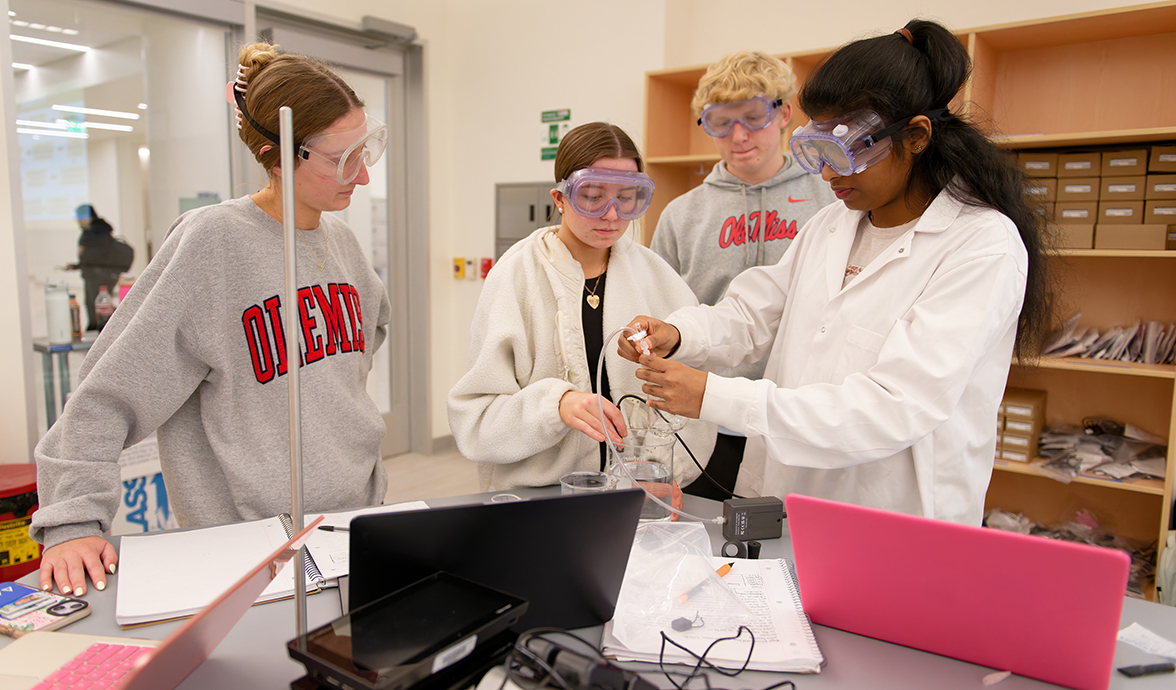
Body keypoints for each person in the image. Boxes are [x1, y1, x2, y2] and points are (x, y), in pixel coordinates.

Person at [619, 20, 1052, 526]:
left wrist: (714, 395)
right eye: (818, 150)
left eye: (845, 152)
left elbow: (891, 407)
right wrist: (680, 332)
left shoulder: (981, 245)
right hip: (787, 495)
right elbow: (754, 313)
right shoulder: (833, 223)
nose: (826, 174)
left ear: (915, 136)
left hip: (891, 514)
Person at [30, 42, 393, 596]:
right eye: (342, 159)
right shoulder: (213, 243)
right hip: (248, 546)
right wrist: (72, 518)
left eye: (365, 150)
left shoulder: (340, 241)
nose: (362, 176)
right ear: (279, 154)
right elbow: (107, 391)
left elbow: (364, 341)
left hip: (351, 525)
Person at [448, 122, 716, 493]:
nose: (611, 214)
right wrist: (555, 406)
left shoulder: (656, 276)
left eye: (627, 197)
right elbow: (475, 423)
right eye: (592, 196)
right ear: (560, 199)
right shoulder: (515, 276)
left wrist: (665, 471)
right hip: (539, 500)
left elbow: (692, 400)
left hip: (638, 495)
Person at [650, 50, 836, 500]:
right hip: (704, 416)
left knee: (788, 550)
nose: (738, 136)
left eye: (753, 117)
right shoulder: (682, 215)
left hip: (797, 412)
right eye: (719, 122)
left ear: (785, 113)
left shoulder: (833, 202)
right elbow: (662, 315)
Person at [69, 204, 134, 331]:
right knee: (95, 305)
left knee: (99, 306)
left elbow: (96, 256)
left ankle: (101, 331)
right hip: (95, 275)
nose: (78, 221)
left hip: (100, 276)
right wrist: (77, 265)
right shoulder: (95, 232)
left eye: (80, 217)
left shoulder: (98, 233)